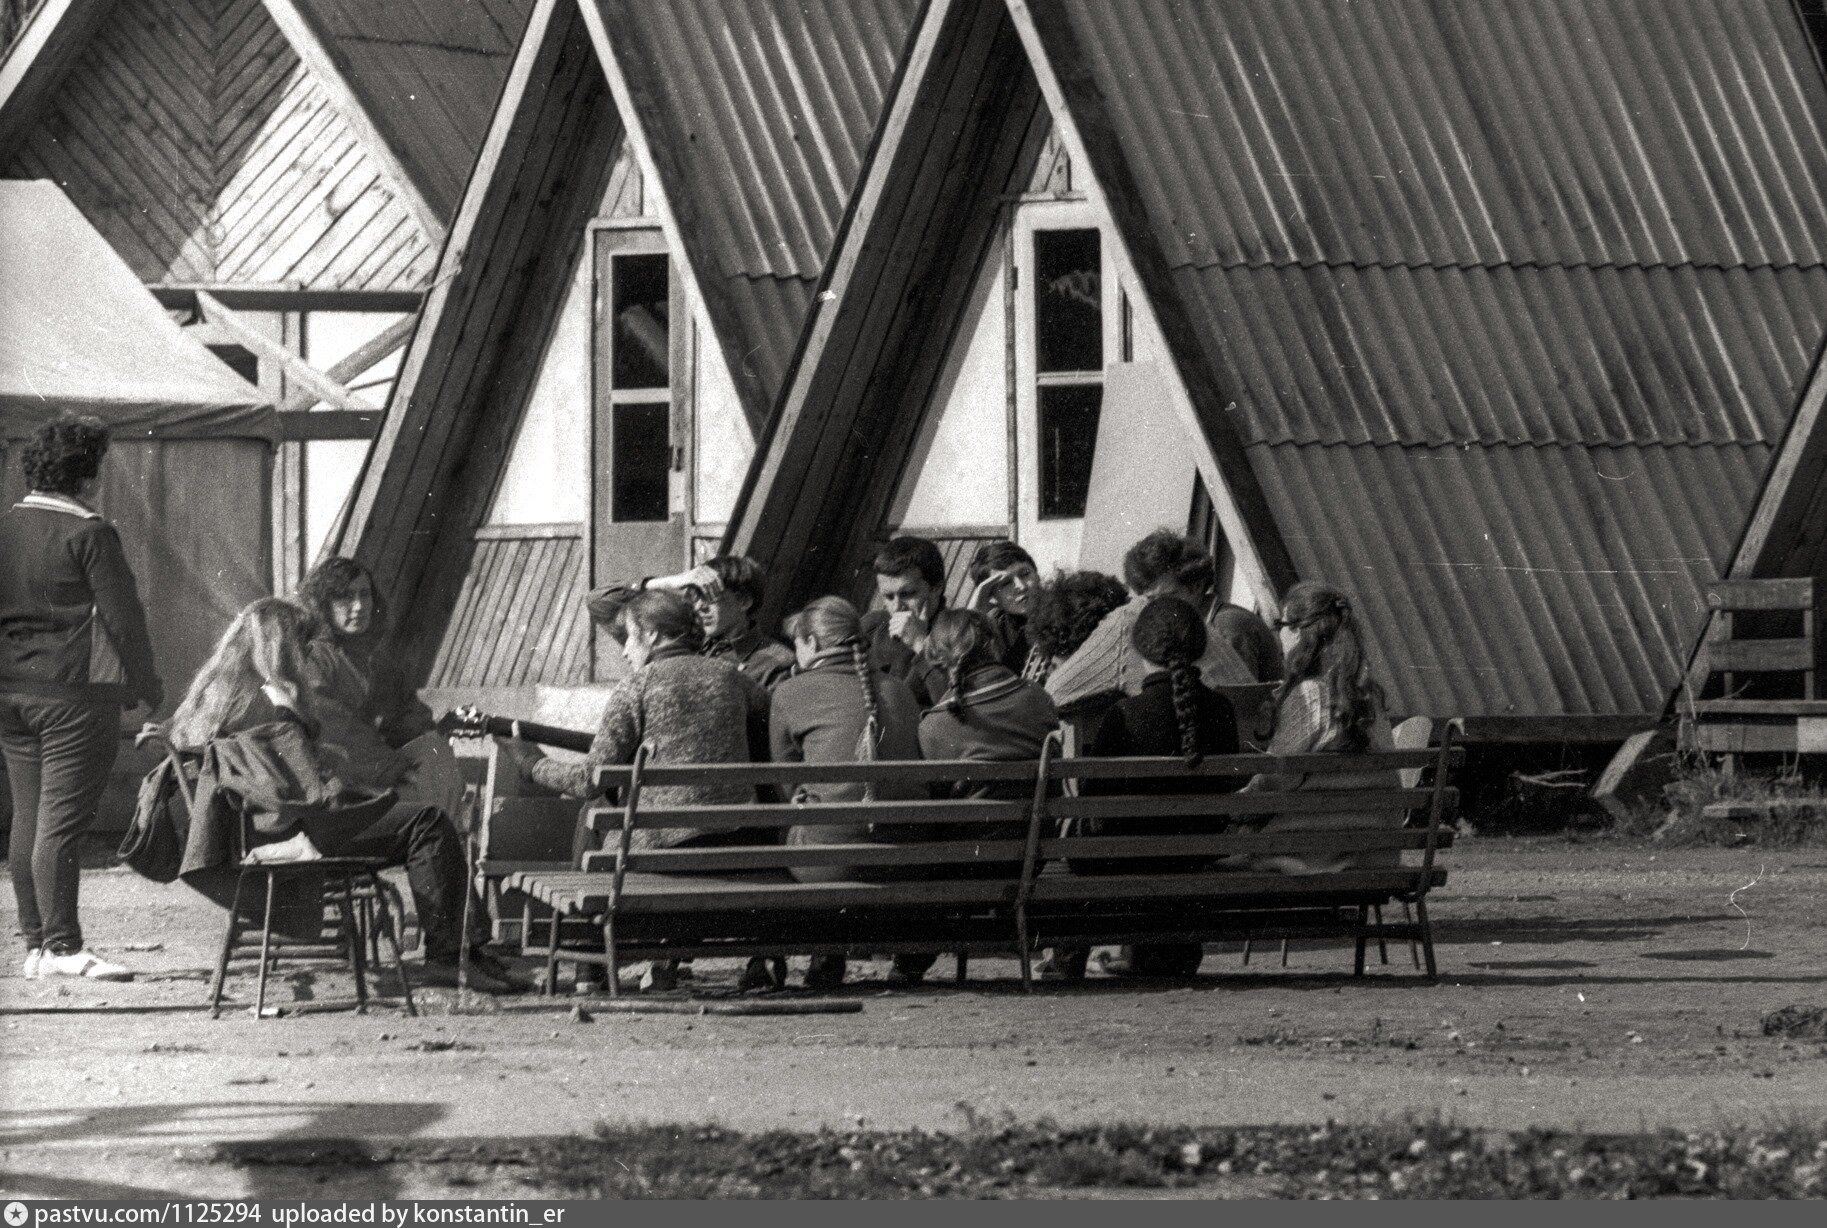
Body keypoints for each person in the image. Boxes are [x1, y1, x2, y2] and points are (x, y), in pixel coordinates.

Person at [165, 599, 522, 993]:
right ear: (279, 646)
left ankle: (464, 950)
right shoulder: (269, 699)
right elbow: (303, 784)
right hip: (291, 834)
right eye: (300, 644)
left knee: (415, 816)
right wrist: (294, 719)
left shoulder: (216, 692)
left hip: (253, 832)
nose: (304, 655)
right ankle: (449, 956)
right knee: (428, 822)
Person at [504, 589, 772, 991]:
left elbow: (588, 779)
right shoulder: (733, 678)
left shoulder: (637, 686)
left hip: (658, 854)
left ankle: (588, 965)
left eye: (629, 637)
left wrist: (530, 763)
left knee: (595, 806)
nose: (626, 651)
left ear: (653, 634)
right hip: (735, 844)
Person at [2, 415, 161, 983]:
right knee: (61, 823)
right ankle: (65, 947)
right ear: (87, 474)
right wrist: (148, 687)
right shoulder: (91, 533)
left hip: (10, 695)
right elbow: (124, 620)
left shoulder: (4, 527)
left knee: (28, 817)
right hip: (74, 696)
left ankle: (38, 947)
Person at [1068, 597, 1242, 979]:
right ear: (1201, 647)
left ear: (1139, 650)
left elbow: (1092, 801)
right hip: (1196, 855)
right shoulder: (1221, 710)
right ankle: (1160, 953)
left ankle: (1082, 956)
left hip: (1128, 859)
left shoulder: (1124, 714)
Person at [769, 596, 924, 988]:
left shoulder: (790, 692)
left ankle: (821, 952)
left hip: (826, 865)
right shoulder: (898, 690)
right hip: (904, 859)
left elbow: (785, 786)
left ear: (811, 643)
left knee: (792, 825)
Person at [906, 609, 1060, 986]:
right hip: (1030, 857)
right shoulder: (1038, 699)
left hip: (963, 863)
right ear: (993, 645)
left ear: (937, 659)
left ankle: (908, 964)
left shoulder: (935, 724)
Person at [1243, 581, 1398, 875]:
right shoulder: (1370, 698)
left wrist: (1233, 806)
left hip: (1308, 859)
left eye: (1281, 625)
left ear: (1298, 631)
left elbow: (1273, 781)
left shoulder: (1308, 697)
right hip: (1374, 855)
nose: (1278, 636)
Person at [295, 558, 458, 818]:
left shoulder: (377, 660)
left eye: (364, 594)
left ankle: (443, 829)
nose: (359, 606)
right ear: (324, 604)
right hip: (337, 777)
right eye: (345, 597)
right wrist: (397, 767)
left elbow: (409, 714)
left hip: (380, 769)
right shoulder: (315, 658)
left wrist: (427, 741)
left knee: (434, 752)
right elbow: (335, 730)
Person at [1045, 530, 1270, 716]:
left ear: (1196, 587)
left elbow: (1244, 706)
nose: (1157, 609)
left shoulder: (1228, 623)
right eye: (1149, 600)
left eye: (1168, 597)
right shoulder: (1188, 626)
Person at [585, 554, 795, 691]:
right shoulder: (683, 640)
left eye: (709, 597)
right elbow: (597, 601)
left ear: (744, 601)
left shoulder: (775, 663)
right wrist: (672, 581)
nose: (699, 607)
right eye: (695, 597)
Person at [859, 536, 951, 708]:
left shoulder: (960, 631)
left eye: (907, 594)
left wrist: (920, 644)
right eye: (888, 596)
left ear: (937, 588)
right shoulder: (873, 626)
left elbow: (955, 705)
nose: (896, 607)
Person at [963, 540, 1040, 675]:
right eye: (1006, 583)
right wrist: (975, 612)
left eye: (1025, 574)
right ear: (991, 596)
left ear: (1037, 574)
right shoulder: (995, 629)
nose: (1021, 586)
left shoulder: (1065, 611)